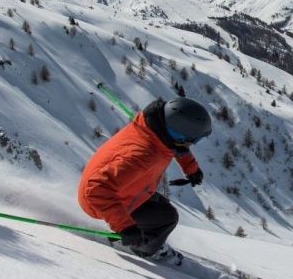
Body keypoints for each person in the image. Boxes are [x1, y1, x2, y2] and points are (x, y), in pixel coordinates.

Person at [78, 97, 212, 260]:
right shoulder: (144, 155)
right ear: (180, 137)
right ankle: (141, 248)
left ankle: (144, 236)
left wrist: (191, 168)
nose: (193, 144)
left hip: (122, 188)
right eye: (194, 140)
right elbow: (97, 189)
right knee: (167, 218)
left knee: (161, 206)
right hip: (98, 201)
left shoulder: (152, 128)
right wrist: (125, 227)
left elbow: (175, 148)